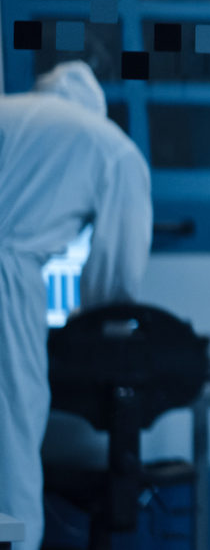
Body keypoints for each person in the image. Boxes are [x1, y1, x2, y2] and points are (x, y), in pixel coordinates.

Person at [0, 61, 153, 550]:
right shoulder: (112, 149)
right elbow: (115, 278)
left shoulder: (11, 113)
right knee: (10, 450)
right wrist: (95, 336)